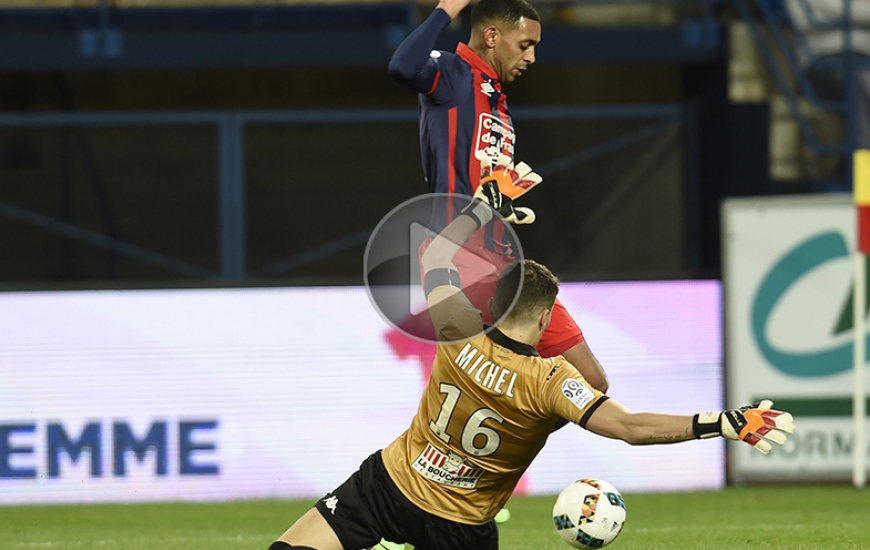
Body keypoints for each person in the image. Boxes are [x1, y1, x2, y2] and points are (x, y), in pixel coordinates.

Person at [267, 184, 795, 550]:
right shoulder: (552, 383)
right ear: (545, 317)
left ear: (494, 305)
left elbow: (434, 257)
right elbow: (631, 429)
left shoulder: (457, 327)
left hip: (390, 485)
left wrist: (485, 206)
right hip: (461, 526)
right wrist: (724, 423)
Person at [388, 0, 610, 395]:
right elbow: (403, 67)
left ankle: (510, 428)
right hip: (458, 254)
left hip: (504, 262)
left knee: (591, 381)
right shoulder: (453, 74)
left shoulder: (497, 103)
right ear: (492, 36)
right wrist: (446, 8)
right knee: (482, 386)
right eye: (525, 44)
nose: (532, 56)